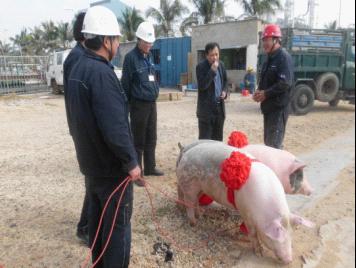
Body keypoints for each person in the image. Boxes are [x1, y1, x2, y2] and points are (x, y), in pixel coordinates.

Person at [66, 6, 141, 267]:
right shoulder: (101, 74)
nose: (119, 45)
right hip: (112, 172)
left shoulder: (77, 67)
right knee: (116, 232)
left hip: (92, 167)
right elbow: (115, 127)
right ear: (106, 40)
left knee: (97, 228)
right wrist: (132, 162)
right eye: (117, 39)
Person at [121, 21, 164, 183]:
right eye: (146, 42)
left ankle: (151, 167)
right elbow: (126, 84)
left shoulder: (150, 56)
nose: (149, 45)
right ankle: (138, 174)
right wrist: (127, 106)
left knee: (151, 137)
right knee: (138, 140)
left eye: (151, 42)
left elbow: (153, 77)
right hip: (138, 104)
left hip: (151, 103)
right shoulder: (130, 59)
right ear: (138, 40)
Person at [63, 11, 89, 246]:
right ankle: (84, 227)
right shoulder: (76, 58)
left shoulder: (81, 54)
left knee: (93, 180)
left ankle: (86, 225)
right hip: (83, 130)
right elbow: (76, 100)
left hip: (83, 129)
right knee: (93, 179)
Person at [253, 24, 294, 149]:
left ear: (276, 40)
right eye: (264, 40)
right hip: (269, 108)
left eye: (267, 40)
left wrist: (266, 94)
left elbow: (285, 83)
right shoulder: (268, 59)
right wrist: (259, 92)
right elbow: (265, 80)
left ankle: (277, 169)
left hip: (278, 108)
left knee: (274, 146)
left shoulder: (283, 58)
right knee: (268, 143)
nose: (265, 43)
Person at [196, 42, 228, 141]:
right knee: (205, 143)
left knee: (218, 141)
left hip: (219, 109)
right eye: (212, 55)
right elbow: (202, 86)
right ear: (206, 55)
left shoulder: (221, 65)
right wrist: (212, 71)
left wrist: (224, 91)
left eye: (216, 54)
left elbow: (226, 81)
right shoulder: (200, 67)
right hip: (206, 112)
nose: (215, 57)